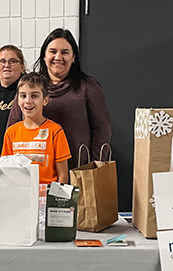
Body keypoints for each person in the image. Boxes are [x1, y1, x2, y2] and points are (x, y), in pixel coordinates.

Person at [6, 28, 110, 169]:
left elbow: (102, 129)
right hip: (35, 172)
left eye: (65, 52)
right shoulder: (29, 87)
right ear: (44, 55)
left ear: (73, 57)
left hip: (78, 171)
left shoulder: (88, 87)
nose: (58, 57)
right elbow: (13, 125)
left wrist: (95, 165)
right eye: (53, 51)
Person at [1, 72, 71, 185]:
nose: (28, 101)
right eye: (23, 96)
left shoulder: (55, 131)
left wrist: (57, 201)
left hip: (46, 196)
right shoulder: (11, 132)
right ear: (18, 100)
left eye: (34, 96)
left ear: (45, 100)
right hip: (19, 194)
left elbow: (63, 174)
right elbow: (6, 169)